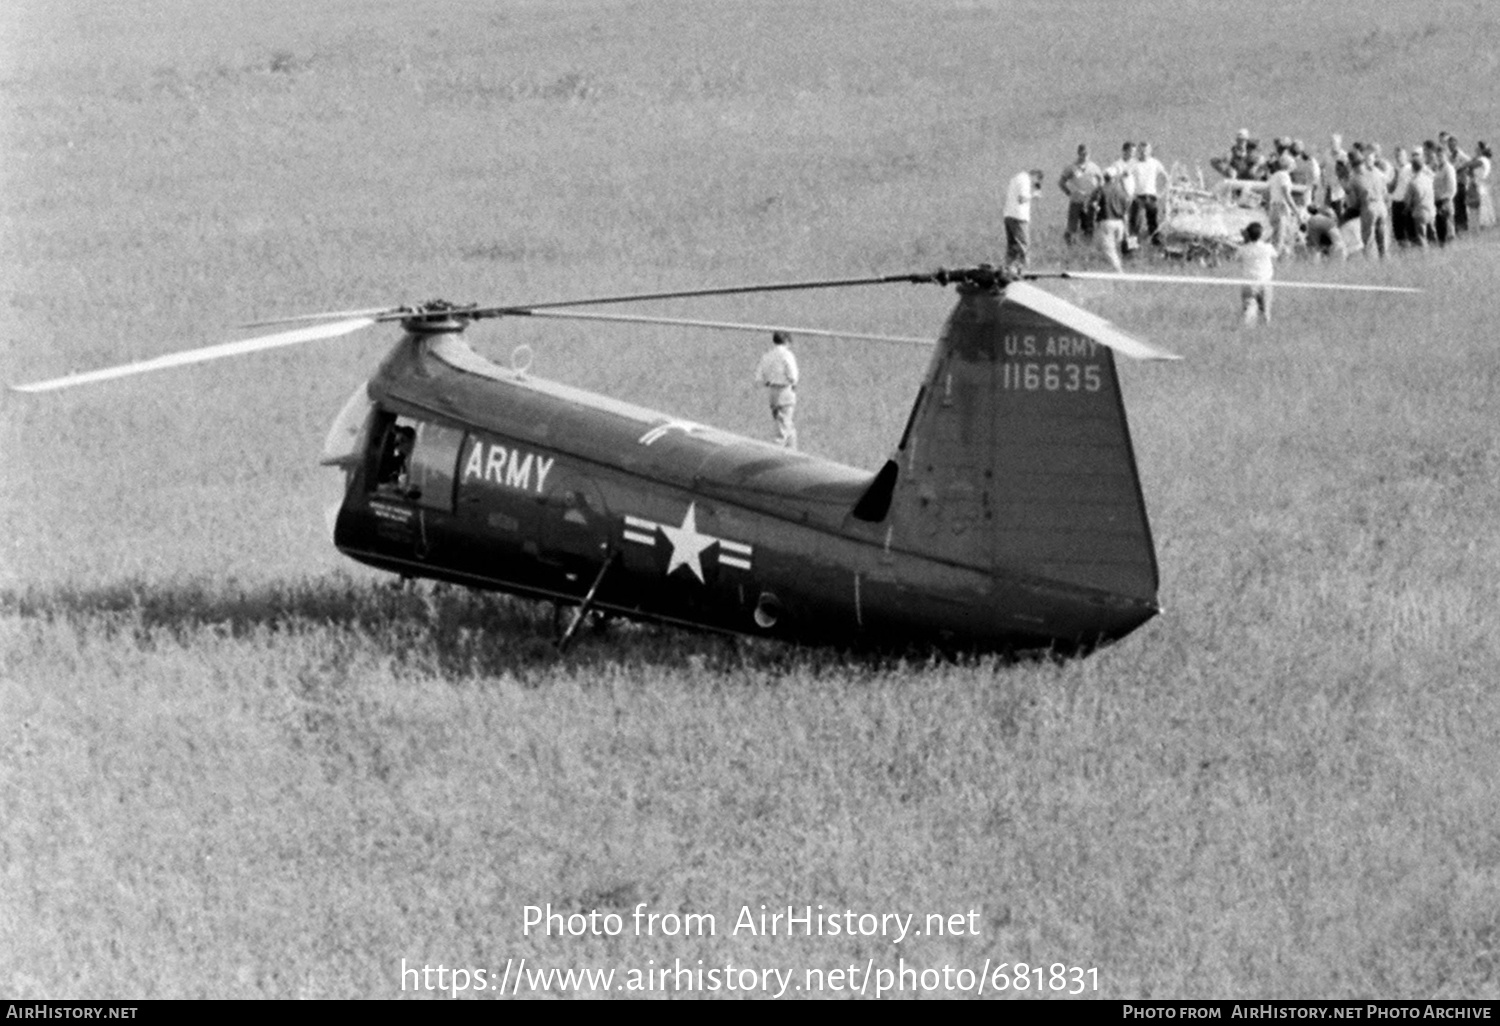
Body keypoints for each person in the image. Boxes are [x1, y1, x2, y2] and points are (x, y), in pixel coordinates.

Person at [756, 331, 799, 449]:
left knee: (788, 426)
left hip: (772, 392)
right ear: (786, 341)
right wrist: (794, 384)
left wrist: (768, 382)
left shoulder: (767, 356)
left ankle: (793, 452)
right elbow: (793, 375)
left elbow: (759, 377)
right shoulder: (787, 355)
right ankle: (776, 452)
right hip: (785, 391)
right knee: (783, 428)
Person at [1234, 222, 1277, 327]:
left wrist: (1245, 241)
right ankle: (1266, 330)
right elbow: (1275, 255)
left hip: (1249, 283)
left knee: (1249, 311)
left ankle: (1249, 330)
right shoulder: (1268, 247)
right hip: (1265, 282)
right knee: (1266, 312)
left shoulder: (1243, 249)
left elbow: (1236, 258)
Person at [1058, 144, 1102, 246]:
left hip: (1089, 201)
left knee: (1088, 225)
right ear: (1079, 154)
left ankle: (1086, 246)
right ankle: (1070, 247)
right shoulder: (1071, 167)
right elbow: (1061, 182)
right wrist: (1069, 192)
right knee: (1072, 226)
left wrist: (1095, 195)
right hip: (1076, 201)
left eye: (1087, 154)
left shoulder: (1094, 167)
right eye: (1083, 154)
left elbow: (1101, 182)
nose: (1085, 156)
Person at [1349, 152, 1390, 259]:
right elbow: (1385, 191)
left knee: (1368, 238)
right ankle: (1383, 257)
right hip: (1381, 206)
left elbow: (1353, 202)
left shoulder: (1354, 178)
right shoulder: (1376, 172)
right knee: (1381, 235)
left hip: (1369, 207)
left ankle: (1369, 261)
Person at [1002, 168, 1045, 271]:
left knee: (1012, 246)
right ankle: (1025, 269)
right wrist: (1034, 195)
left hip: (1009, 215)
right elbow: (1022, 199)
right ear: (1035, 176)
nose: (1034, 185)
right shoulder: (1025, 180)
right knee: (1024, 245)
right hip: (1019, 217)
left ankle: (1008, 268)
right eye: (1036, 182)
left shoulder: (1016, 177)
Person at [1129, 141, 1168, 245]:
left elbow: (1166, 178)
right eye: (1141, 151)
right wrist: (1130, 194)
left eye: (1145, 151)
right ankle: (1131, 248)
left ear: (1150, 151)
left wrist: (1161, 193)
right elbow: (1125, 177)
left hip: (1151, 197)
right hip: (1138, 198)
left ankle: (1156, 247)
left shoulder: (1155, 163)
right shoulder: (1133, 163)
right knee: (1134, 224)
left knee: (1153, 224)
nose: (1143, 153)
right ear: (1138, 151)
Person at [1093, 168, 1131, 272]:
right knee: (1114, 247)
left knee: (1109, 249)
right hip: (1119, 223)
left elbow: (1093, 204)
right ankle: (1114, 267)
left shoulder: (1101, 189)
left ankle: (1119, 272)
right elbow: (1126, 212)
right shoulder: (1121, 191)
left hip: (1106, 221)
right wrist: (1126, 230)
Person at [1265, 154, 1299, 254]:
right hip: (1281, 208)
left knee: (1275, 235)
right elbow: (1286, 194)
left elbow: (1267, 192)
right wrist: (1295, 210)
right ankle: (1275, 257)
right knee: (1280, 237)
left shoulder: (1274, 175)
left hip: (1273, 206)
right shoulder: (1284, 176)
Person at [1406, 151, 1437, 248]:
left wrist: (1407, 208)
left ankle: (1425, 256)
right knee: (1432, 234)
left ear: (1412, 168)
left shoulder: (1413, 182)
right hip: (1431, 210)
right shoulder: (1429, 179)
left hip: (1420, 212)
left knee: (1421, 237)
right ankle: (1437, 252)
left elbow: (1408, 201)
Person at [1431, 145, 1458, 245]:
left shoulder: (1448, 168)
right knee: (1440, 229)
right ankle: (1442, 248)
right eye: (1437, 156)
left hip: (1445, 202)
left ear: (1446, 156)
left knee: (1448, 228)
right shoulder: (1438, 168)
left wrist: (1445, 200)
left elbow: (1452, 188)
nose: (1439, 158)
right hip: (1437, 201)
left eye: (1441, 156)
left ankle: (1450, 249)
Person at [1469, 142, 1495, 229]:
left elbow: (1470, 165)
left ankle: (1480, 225)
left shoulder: (1482, 160)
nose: (1475, 150)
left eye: (1477, 148)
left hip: (1478, 183)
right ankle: (1480, 224)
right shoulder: (1483, 159)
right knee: (1482, 205)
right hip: (1479, 183)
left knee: (1479, 206)